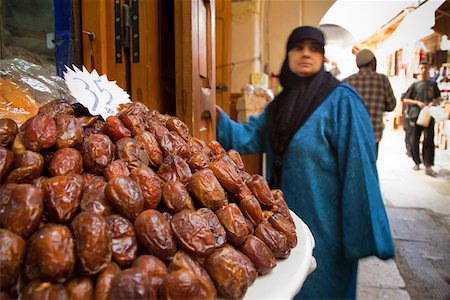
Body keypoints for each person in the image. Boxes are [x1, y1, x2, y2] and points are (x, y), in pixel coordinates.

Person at [216, 26, 394, 299]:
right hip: (287, 225)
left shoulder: (342, 101)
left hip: (329, 228)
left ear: (323, 56)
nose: (305, 54)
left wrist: (358, 233)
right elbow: (249, 137)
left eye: (314, 48)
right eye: (298, 47)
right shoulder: (281, 105)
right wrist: (215, 117)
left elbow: (360, 169)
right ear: (288, 55)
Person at [343, 48, 396, 157]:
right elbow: (391, 105)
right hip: (373, 134)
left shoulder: (346, 82)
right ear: (373, 63)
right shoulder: (382, 80)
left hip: (351, 134)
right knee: (369, 167)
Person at [402, 60, 441, 177]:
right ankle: (416, 162)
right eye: (422, 68)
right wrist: (417, 103)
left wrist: (433, 103)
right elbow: (405, 99)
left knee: (429, 140)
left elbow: (438, 98)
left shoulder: (433, 84)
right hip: (415, 115)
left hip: (428, 115)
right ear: (419, 69)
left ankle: (428, 165)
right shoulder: (415, 85)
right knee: (414, 139)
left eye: (426, 68)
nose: (424, 70)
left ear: (429, 69)